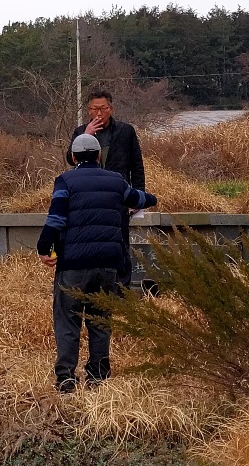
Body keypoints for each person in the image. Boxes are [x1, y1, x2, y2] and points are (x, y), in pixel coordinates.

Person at [38, 133, 157, 393]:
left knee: (68, 321)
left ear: (73, 157)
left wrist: (43, 248)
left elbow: (56, 219)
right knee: (101, 321)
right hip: (108, 265)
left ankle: (66, 379)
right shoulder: (116, 181)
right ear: (99, 155)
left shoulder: (65, 181)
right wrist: (151, 199)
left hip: (73, 265)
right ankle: (98, 378)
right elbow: (140, 199)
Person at [64, 90, 146, 284]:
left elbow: (136, 165)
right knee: (90, 243)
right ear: (88, 110)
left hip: (117, 197)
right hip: (88, 198)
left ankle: (122, 289)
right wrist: (86, 136)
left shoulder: (125, 131)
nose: (99, 113)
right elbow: (70, 159)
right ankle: (93, 287)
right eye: (94, 109)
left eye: (103, 108)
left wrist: (138, 196)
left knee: (120, 243)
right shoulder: (80, 132)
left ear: (111, 109)